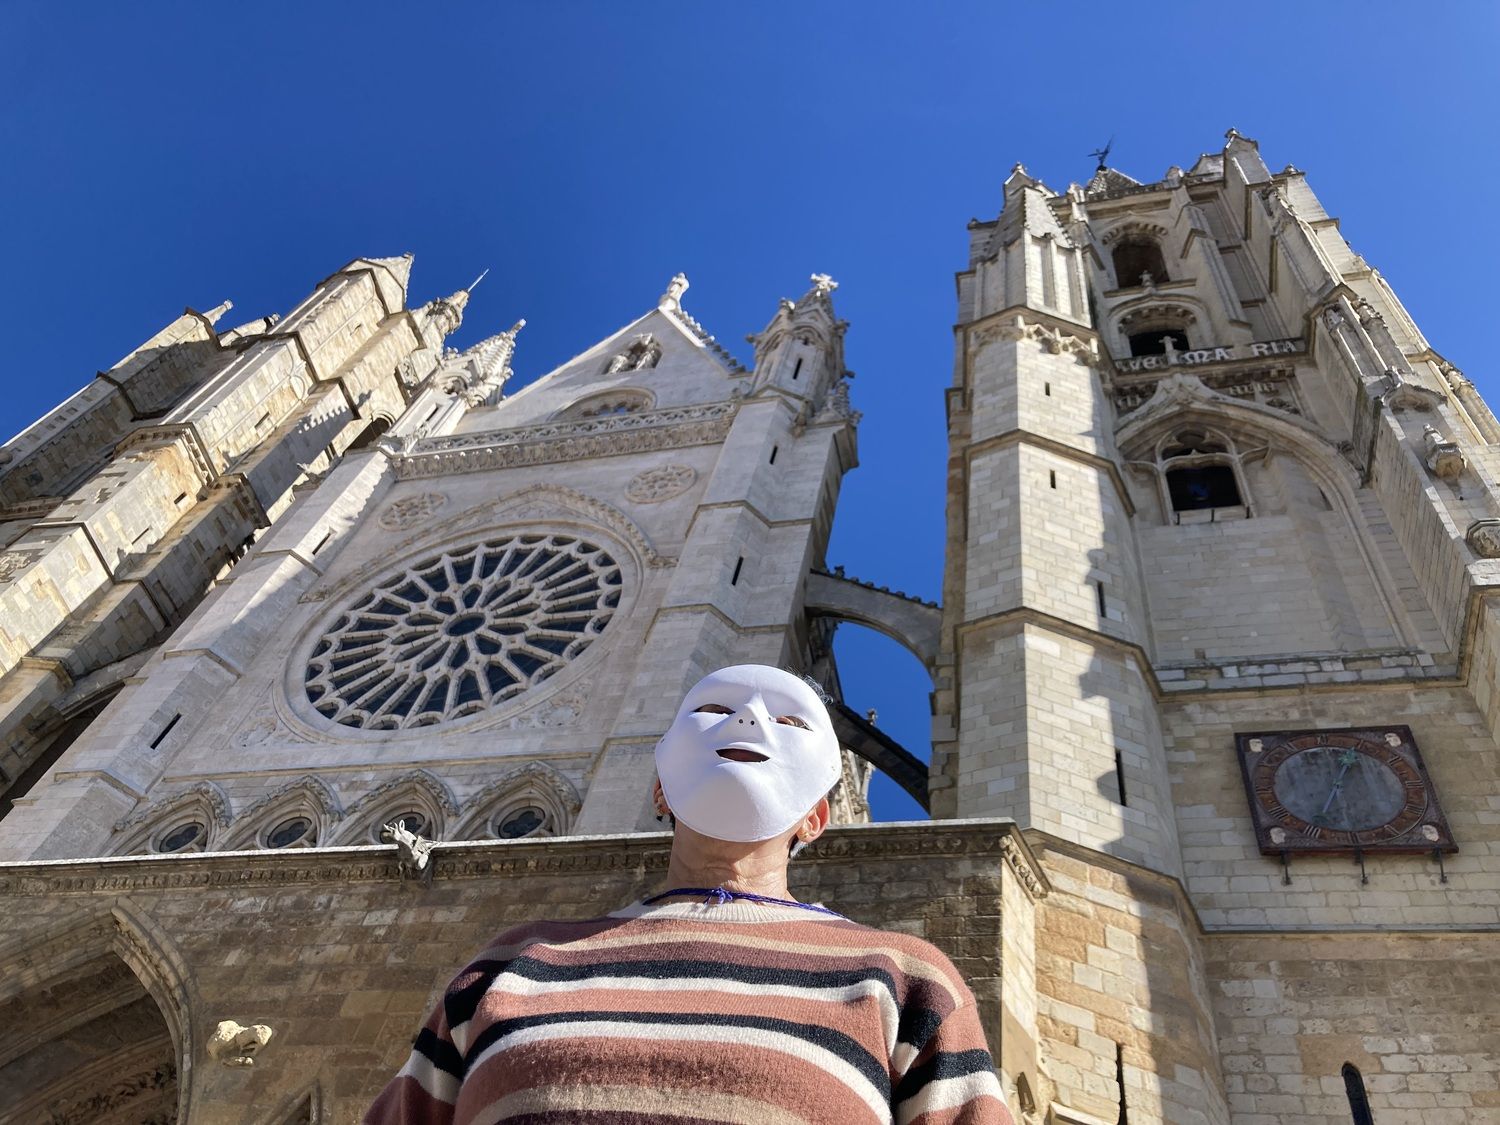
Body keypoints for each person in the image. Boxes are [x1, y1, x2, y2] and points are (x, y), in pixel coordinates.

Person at [365, 664, 1013, 1124]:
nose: (749, 720)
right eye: (713, 710)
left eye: (787, 719)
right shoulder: (507, 966)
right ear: (660, 790)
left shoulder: (906, 981)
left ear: (818, 815)